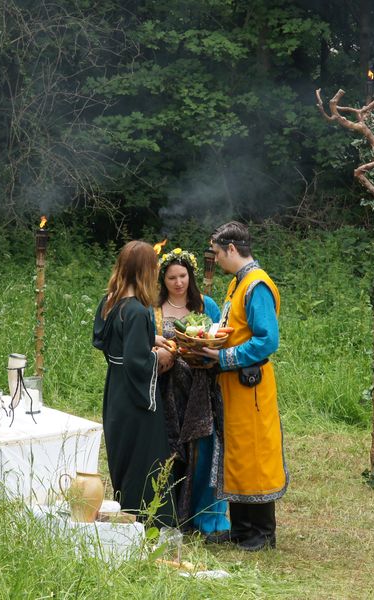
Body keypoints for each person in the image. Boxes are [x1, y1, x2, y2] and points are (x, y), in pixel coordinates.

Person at [196, 221, 287, 551]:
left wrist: (224, 357)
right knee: (235, 452)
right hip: (233, 386)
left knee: (255, 454)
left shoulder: (256, 286)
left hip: (251, 387)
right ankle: (241, 528)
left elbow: (267, 340)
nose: (216, 259)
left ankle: (262, 532)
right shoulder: (238, 282)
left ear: (232, 249)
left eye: (217, 253)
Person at [92, 240, 176, 526]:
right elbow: (136, 362)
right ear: (145, 272)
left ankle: (126, 513)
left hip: (115, 390)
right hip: (135, 395)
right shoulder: (138, 311)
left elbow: (104, 340)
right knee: (144, 455)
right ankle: (149, 521)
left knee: (123, 452)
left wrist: (149, 338)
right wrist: (159, 355)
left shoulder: (109, 302)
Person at [151, 247, 230, 535]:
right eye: (172, 278)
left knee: (202, 449)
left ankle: (201, 515)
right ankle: (169, 511)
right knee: (170, 449)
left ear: (190, 276)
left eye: (183, 276)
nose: (178, 283)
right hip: (167, 391)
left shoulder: (206, 305)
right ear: (163, 280)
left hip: (200, 390)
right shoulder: (154, 309)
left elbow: (220, 338)